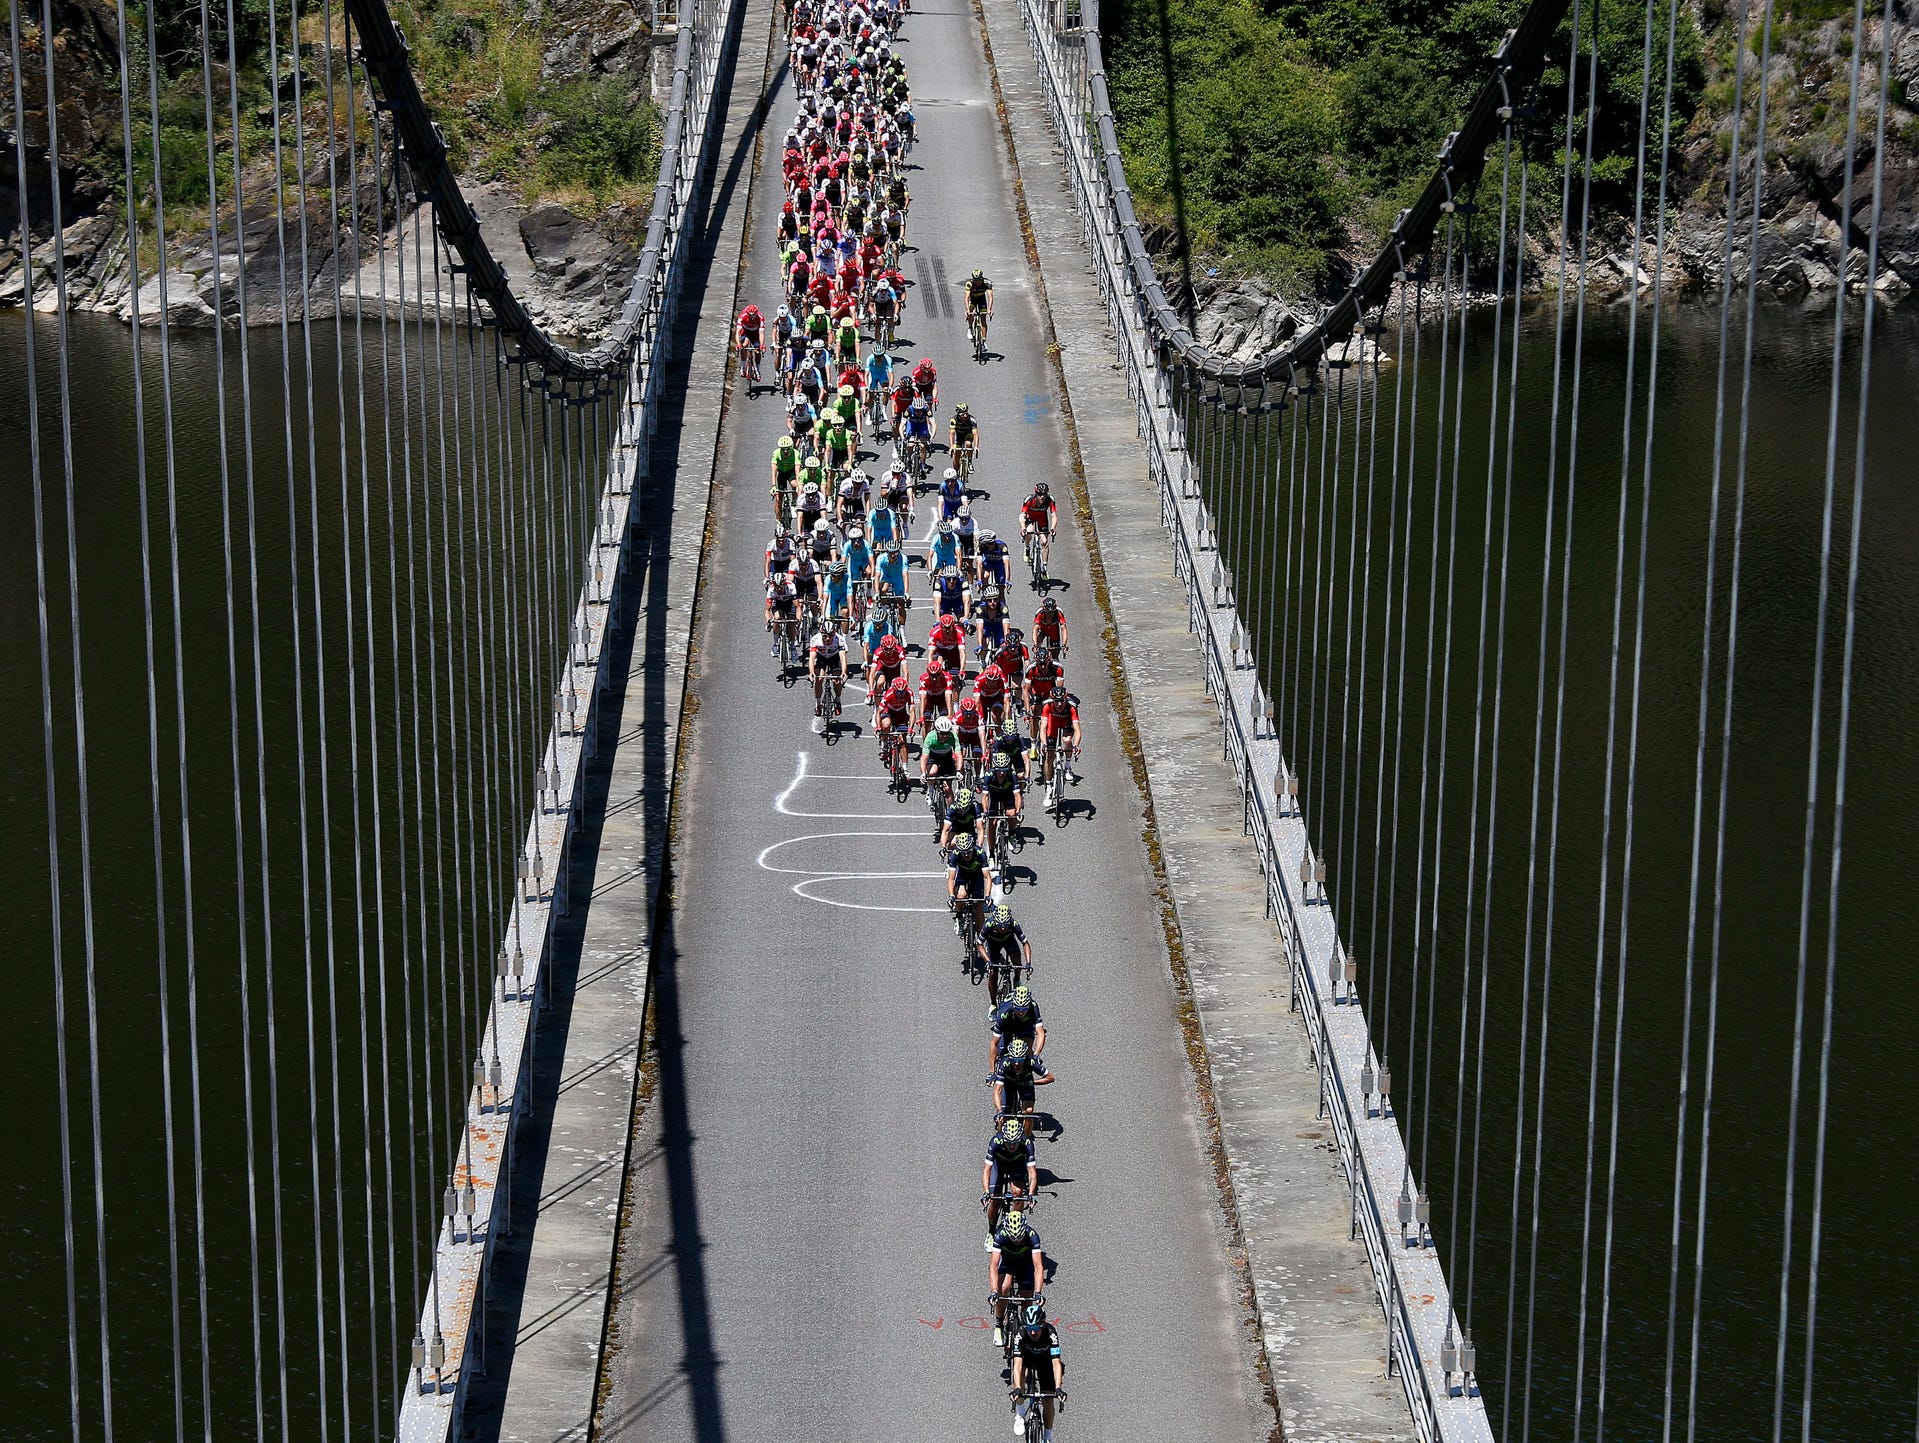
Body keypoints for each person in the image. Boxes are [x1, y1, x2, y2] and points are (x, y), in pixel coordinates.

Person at [988, 1208, 1045, 1347]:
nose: (1016, 1242)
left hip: (1025, 1263)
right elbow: (994, 1266)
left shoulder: (1032, 1236)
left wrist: (1038, 1293)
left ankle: (1025, 1328)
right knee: (1004, 1288)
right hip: (1007, 1262)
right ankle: (999, 1324)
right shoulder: (1000, 1235)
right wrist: (994, 1291)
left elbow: (1038, 1267)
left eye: (1019, 1239)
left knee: (1027, 1297)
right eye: (1013, 1239)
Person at [1010, 1301, 1065, 1442]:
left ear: (1043, 1324)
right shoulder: (1021, 1334)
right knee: (1020, 1376)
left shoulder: (1051, 1333)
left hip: (1045, 1361)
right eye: (1029, 1328)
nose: (1033, 1332)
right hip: (1027, 1359)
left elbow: (1056, 1364)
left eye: (1036, 1327)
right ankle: (1020, 1413)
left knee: (1048, 1399)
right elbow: (1016, 1364)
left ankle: (1048, 1435)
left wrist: (1058, 1388)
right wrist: (1016, 1388)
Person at [981, 1116, 1037, 1238]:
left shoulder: (1027, 1143)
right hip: (999, 1166)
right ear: (1004, 1138)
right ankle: (991, 1231)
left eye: (1015, 1142)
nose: (1012, 1146)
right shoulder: (996, 1141)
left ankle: (1015, 1225)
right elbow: (987, 1169)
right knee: (995, 1199)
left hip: (1017, 1166)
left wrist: (1031, 1194)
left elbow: (1032, 1172)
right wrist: (986, 1192)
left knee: (1018, 1193)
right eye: (1009, 1142)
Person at [993, 1035, 1054, 1136]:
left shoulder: (1031, 1062)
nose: (1016, 1064)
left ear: (1024, 1057)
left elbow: (1050, 1078)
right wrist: (999, 1111)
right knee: (1003, 1117)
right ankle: (1001, 1139)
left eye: (1020, 1060)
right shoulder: (1004, 1063)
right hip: (1009, 1084)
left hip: (1025, 1083)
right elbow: (997, 1091)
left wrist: (1034, 1082)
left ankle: (1026, 1138)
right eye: (1013, 1060)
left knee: (1029, 1111)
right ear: (1010, 1058)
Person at [976, 900, 1032, 1002]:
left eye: (1005, 926)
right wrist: (988, 962)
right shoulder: (989, 924)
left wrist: (1028, 963)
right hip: (993, 945)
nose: (1002, 929)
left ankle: (1016, 978)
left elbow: (1025, 943)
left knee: (1017, 963)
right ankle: (993, 1003)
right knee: (993, 975)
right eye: (1000, 927)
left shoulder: (1013, 924)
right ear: (995, 922)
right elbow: (979, 944)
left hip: (1009, 941)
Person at [946, 833, 995, 935]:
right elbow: (951, 879)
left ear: (972, 847)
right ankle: (959, 916)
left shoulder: (980, 853)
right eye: (963, 853)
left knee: (978, 908)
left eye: (969, 851)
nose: (966, 855)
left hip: (977, 876)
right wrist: (951, 896)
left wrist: (987, 896)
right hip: (963, 875)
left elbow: (987, 878)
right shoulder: (955, 854)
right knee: (961, 895)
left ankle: (981, 938)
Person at [1039, 688, 1082, 796]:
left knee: (1067, 740)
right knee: (1049, 756)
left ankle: (1068, 766)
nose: (1059, 704)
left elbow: (1077, 730)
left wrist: (1075, 746)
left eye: (1061, 701)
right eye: (1056, 701)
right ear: (1052, 700)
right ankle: (1048, 786)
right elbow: (1043, 728)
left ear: (1065, 699)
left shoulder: (1071, 707)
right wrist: (1044, 744)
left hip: (1066, 723)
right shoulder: (1047, 705)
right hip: (1052, 725)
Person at [808, 615, 848, 728]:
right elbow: (811, 659)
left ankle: (838, 699)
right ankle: (817, 704)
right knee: (819, 678)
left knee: (837, 680)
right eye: (825, 636)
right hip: (821, 658)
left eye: (830, 636)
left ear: (834, 634)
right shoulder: (815, 640)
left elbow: (843, 658)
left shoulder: (839, 639)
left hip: (834, 658)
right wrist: (811, 673)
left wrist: (844, 673)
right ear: (821, 633)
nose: (827, 638)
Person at [991, 983, 1046, 1064]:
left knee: (1028, 1053)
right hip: (1008, 1024)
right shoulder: (1004, 1012)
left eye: (1024, 1009)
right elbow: (994, 1043)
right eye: (1017, 1008)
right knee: (1001, 1052)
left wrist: (1036, 1055)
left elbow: (1041, 1034)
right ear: (1013, 1005)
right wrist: (992, 1072)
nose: (1021, 1012)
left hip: (1025, 1024)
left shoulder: (1033, 1006)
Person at [1022, 647, 1063, 740]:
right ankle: (1033, 742)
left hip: (1050, 694)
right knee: (1034, 714)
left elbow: (1059, 689)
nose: (1043, 667)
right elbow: (1026, 690)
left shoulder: (1057, 668)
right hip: (1036, 693)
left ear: (1049, 661)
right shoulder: (1031, 669)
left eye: (1045, 663)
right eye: (1040, 664)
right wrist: (1027, 710)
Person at [1020, 479, 1058, 574]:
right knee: (1029, 532)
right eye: (1040, 495)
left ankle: (1044, 567)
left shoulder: (1050, 500)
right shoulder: (1029, 499)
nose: (1042, 497)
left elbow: (1054, 515)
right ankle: (1027, 547)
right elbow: (1022, 515)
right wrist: (1023, 528)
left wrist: (1053, 528)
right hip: (1030, 519)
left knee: (1044, 542)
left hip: (1042, 520)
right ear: (1036, 494)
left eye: (1044, 495)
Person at [916, 654, 956, 731]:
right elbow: (923, 699)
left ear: (941, 673)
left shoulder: (947, 678)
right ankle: (926, 742)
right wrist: (921, 717)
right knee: (926, 722)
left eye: (936, 675)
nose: (934, 679)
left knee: (945, 722)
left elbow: (948, 698)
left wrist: (950, 715)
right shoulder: (924, 678)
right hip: (929, 698)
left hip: (942, 698)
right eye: (932, 675)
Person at [939, 785, 982, 855]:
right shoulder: (952, 808)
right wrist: (943, 847)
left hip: (970, 831)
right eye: (961, 808)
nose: (962, 811)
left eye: (965, 808)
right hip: (956, 829)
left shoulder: (975, 807)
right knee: (952, 843)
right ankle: (950, 863)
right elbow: (945, 830)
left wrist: (979, 846)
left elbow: (980, 830)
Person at [928, 609, 966, 673]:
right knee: (938, 663)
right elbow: (930, 654)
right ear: (940, 626)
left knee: (955, 674)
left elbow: (962, 653)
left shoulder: (959, 632)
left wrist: (962, 670)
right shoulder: (934, 632)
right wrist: (930, 668)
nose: (947, 631)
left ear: (953, 626)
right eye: (944, 628)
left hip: (953, 650)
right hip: (939, 650)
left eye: (949, 628)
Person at [770, 436, 800, 516]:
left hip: (791, 472)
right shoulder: (776, 453)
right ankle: (778, 520)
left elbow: (797, 470)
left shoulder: (795, 453)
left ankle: (794, 502)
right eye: (783, 449)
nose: (785, 451)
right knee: (779, 498)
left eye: (787, 449)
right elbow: (774, 471)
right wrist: (773, 486)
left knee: (794, 484)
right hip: (782, 473)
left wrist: (799, 486)